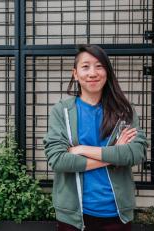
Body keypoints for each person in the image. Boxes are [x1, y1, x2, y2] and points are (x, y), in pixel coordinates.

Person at [43, 44, 148, 231]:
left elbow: (135, 154)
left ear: (107, 72)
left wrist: (82, 149)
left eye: (99, 66)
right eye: (85, 66)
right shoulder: (62, 111)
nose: (92, 73)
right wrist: (114, 154)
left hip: (116, 214)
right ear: (75, 73)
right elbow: (58, 160)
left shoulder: (124, 110)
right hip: (73, 215)